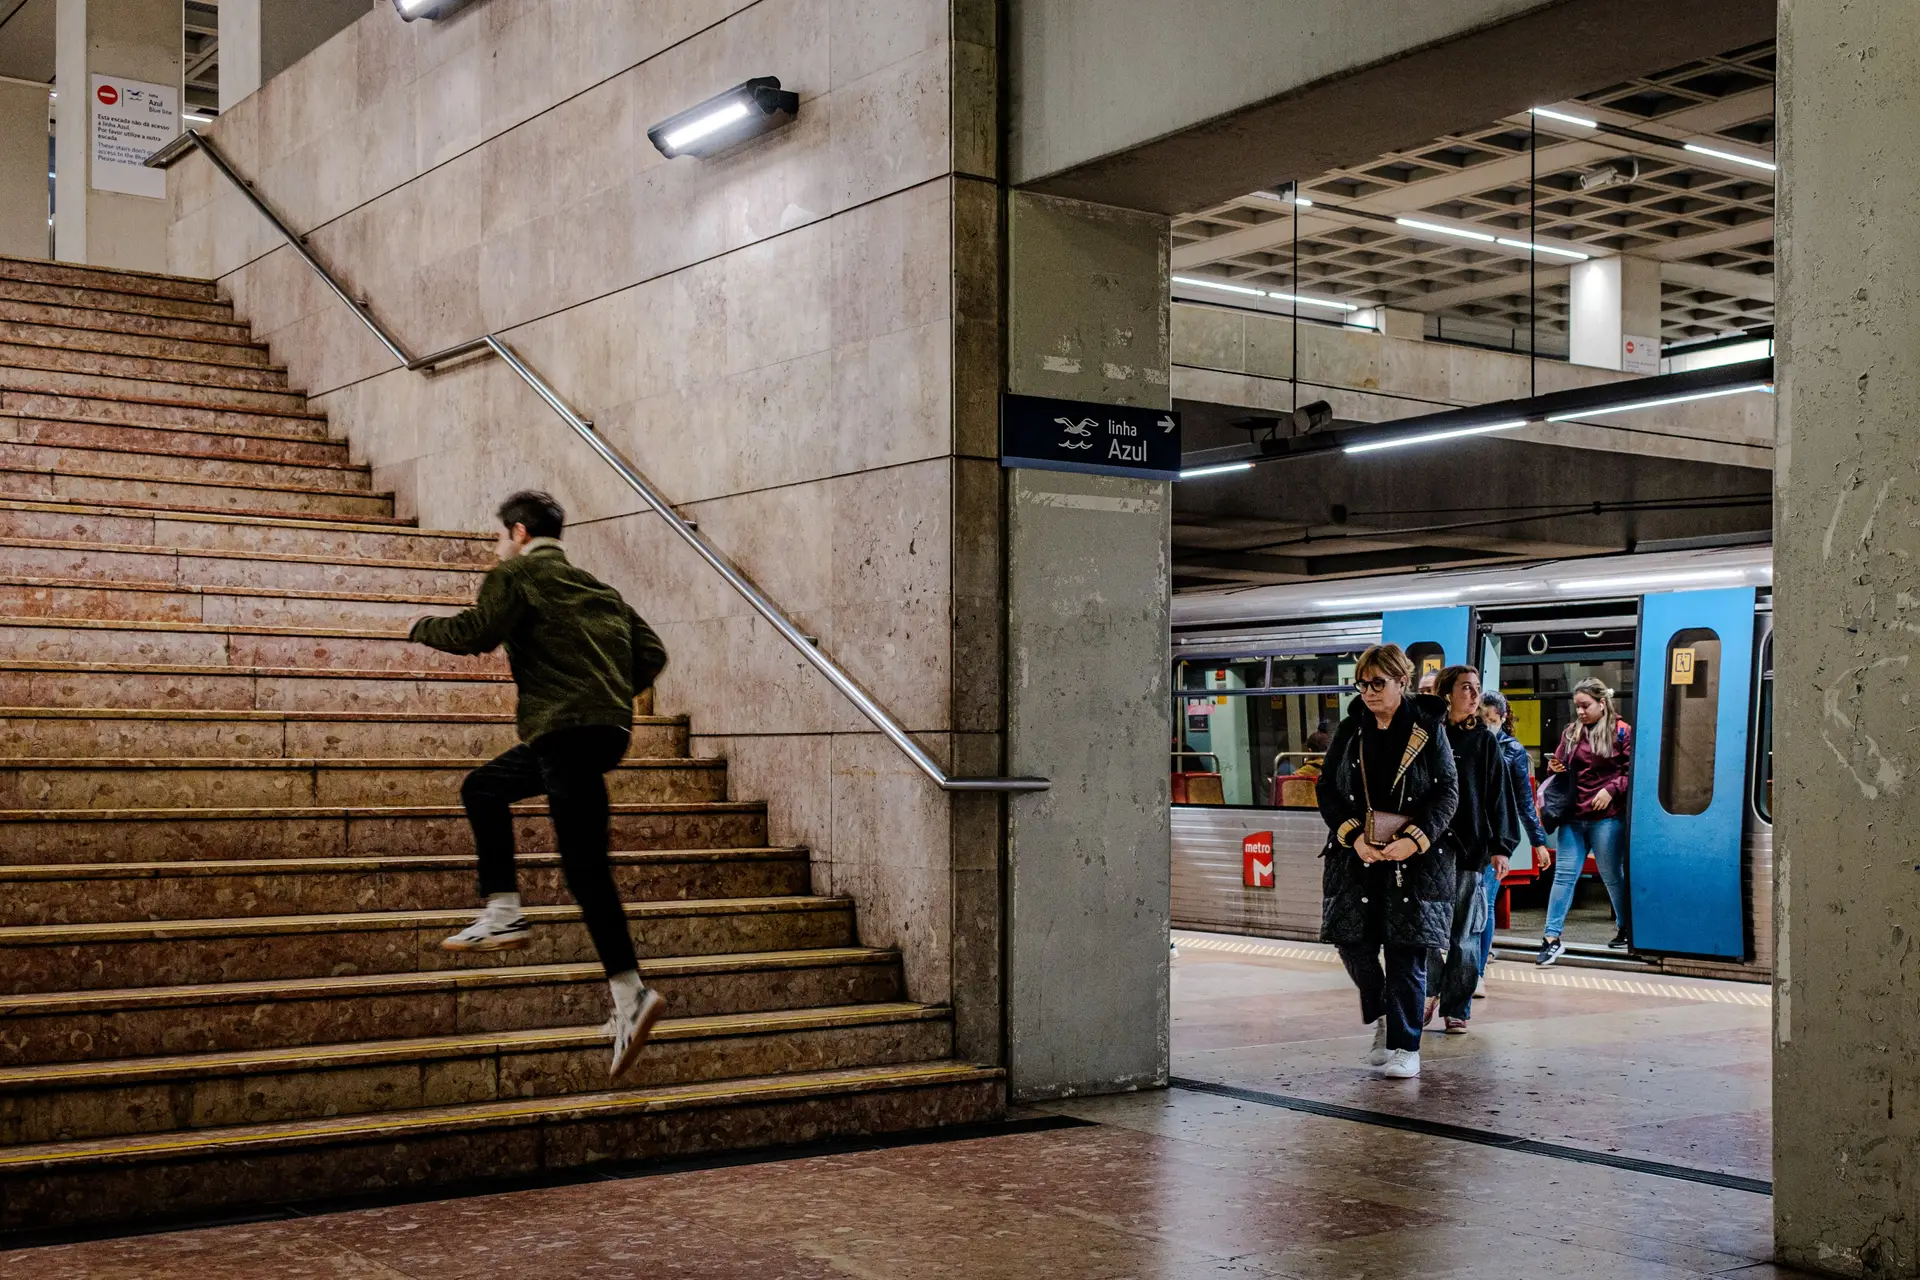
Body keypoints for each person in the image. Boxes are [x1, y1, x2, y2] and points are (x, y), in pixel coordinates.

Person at [410, 490, 671, 1078]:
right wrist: (601, 688)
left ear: (520, 533)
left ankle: (628, 994)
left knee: (585, 870)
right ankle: (505, 908)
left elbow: (476, 633)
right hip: (598, 732)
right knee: (483, 788)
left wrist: (417, 626)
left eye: (500, 537)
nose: (498, 547)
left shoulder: (518, 575)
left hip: (565, 730)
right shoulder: (597, 588)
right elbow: (651, 653)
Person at [1317, 644, 1459, 1079]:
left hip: (1412, 862)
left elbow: (1447, 792)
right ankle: (1383, 1014)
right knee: (1353, 944)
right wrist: (1352, 837)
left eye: (1378, 683)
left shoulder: (1427, 729)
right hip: (1356, 856)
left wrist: (1415, 840)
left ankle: (1405, 1045)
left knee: (1405, 954)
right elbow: (1327, 789)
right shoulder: (1351, 730)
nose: (1369, 692)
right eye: (1362, 684)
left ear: (1403, 681)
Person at [1421, 666, 1518, 1034]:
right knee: (1425, 931)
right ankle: (1429, 990)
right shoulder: (1427, 735)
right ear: (1447, 693)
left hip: (1470, 850)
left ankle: (1457, 1006)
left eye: (1477, 688)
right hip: (1425, 849)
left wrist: (1502, 846)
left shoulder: (1484, 740)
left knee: (1464, 934)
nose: (1475, 695)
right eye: (1466, 688)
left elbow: (1499, 796)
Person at [1536, 677, 1632, 966]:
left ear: (1602, 703)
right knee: (1564, 876)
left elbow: (1631, 772)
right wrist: (1555, 766)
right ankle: (1551, 938)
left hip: (1606, 817)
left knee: (1611, 874)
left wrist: (1612, 789)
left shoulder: (1622, 732)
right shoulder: (1571, 732)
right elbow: (1562, 766)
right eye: (1576, 706)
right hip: (1573, 816)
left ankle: (1626, 928)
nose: (1580, 712)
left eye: (1585, 706)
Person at [1477, 691, 1553, 989]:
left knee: (1485, 900)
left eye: (1492, 719)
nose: (1486, 724)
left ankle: (1478, 971)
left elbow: (1524, 800)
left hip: (1496, 837)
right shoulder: (1468, 743)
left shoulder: (1513, 751)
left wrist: (1539, 842)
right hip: (1468, 834)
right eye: (1482, 718)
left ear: (1503, 718)